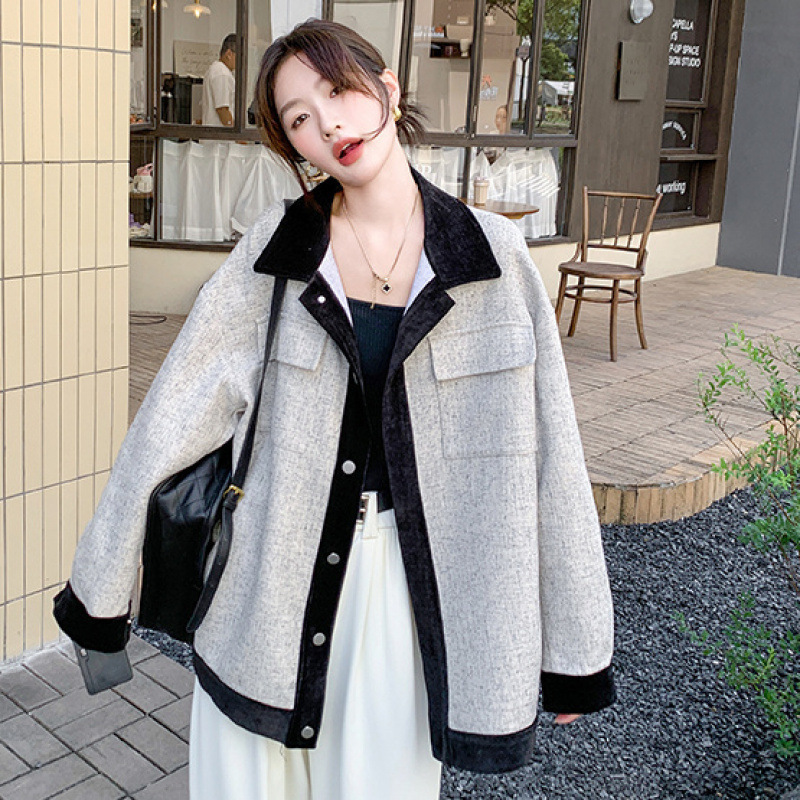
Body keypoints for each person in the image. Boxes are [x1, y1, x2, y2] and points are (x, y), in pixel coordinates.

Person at [53, 19, 615, 800]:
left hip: (404, 600)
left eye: (338, 91)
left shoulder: (492, 261)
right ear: (292, 146)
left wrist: (577, 652)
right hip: (265, 598)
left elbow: (554, 456)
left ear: (388, 89)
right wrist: (100, 594)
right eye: (300, 119)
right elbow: (171, 420)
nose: (329, 125)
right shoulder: (274, 254)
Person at [201, 33, 237, 127]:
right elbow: (222, 109)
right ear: (229, 54)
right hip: (221, 135)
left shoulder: (216, 69)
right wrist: (234, 131)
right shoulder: (222, 73)